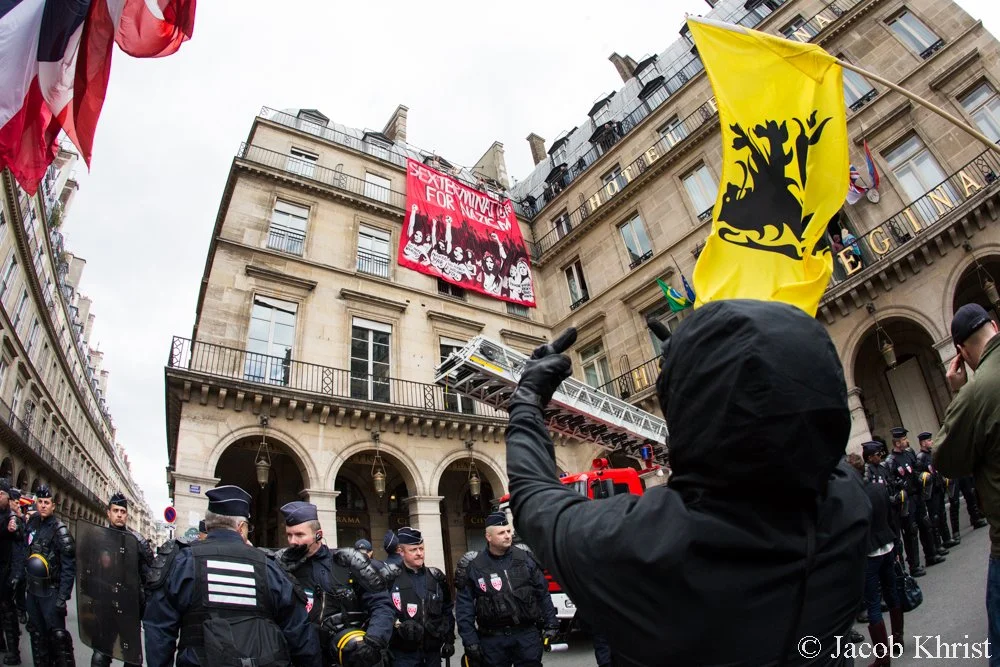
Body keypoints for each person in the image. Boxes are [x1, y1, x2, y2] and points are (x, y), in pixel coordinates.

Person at [505, 301, 871, 666]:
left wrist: (527, 400)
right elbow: (798, 421)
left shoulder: (635, 544)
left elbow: (534, 498)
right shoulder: (848, 502)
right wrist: (701, 368)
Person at [143, 485, 321, 667]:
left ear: (209, 523)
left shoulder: (182, 562)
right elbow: (299, 634)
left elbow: (159, 631)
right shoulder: (269, 566)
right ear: (241, 527)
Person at [932, 303, 1000, 663]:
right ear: (994, 324)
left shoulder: (976, 394)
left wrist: (958, 393)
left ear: (960, 352)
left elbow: (945, 459)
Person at [276, 501, 393, 667]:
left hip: (344, 656)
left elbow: (381, 604)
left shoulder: (348, 563)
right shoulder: (281, 567)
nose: (293, 541)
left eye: (299, 535)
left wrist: (374, 640)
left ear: (318, 534)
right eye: (289, 535)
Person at [455, 512, 558, 667]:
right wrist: (470, 642)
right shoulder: (475, 566)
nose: (507, 536)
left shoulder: (525, 558)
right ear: (488, 537)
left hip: (526, 636)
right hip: (492, 640)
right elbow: (464, 609)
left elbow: (542, 594)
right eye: (501, 533)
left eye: (508, 531)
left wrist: (552, 624)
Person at [848, 452, 903, 665]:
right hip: (888, 546)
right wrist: (896, 545)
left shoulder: (854, 497)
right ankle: (898, 638)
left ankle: (883, 657)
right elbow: (892, 521)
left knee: (873, 604)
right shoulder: (879, 489)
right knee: (892, 592)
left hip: (869, 554)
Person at [90, 491, 156, 667]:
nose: (119, 515)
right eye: (115, 510)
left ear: (127, 514)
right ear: (108, 512)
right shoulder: (98, 539)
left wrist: (144, 605)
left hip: (129, 607)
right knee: (100, 656)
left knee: (132, 658)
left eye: (123, 511)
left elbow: (150, 577)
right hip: (105, 605)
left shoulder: (137, 542)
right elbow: (88, 572)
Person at [385, 527, 455, 666]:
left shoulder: (436, 578)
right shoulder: (390, 579)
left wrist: (449, 640)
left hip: (432, 654)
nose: (419, 553)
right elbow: (381, 612)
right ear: (401, 551)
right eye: (413, 550)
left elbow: (447, 611)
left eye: (421, 549)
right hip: (402, 655)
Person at [23, 484, 75, 666]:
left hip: (51, 592)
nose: (43, 505)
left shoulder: (60, 530)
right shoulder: (32, 523)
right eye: (40, 501)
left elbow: (69, 567)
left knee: (58, 639)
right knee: (37, 636)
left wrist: (62, 597)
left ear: (53, 506)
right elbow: (26, 552)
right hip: (33, 591)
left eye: (47, 502)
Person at [886, 427, 944, 576]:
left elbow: (916, 469)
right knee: (911, 531)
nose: (906, 441)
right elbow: (890, 483)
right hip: (907, 500)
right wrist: (899, 486)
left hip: (917, 496)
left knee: (925, 524)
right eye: (904, 439)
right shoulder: (891, 461)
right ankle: (914, 565)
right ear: (897, 443)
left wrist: (920, 477)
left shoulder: (910, 453)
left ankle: (931, 555)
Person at [915, 433, 959, 551]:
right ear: (923, 443)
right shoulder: (920, 458)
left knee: (942, 514)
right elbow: (918, 475)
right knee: (934, 517)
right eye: (929, 440)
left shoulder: (931, 454)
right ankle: (938, 544)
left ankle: (947, 538)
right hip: (931, 492)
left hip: (939, 487)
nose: (932, 442)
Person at [0, 479, 24, 666]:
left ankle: (13, 651)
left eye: (1, 494)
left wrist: (16, 575)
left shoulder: (12, 518)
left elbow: (18, 548)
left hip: (6, 573)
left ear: (8, 498)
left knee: (8, 613)